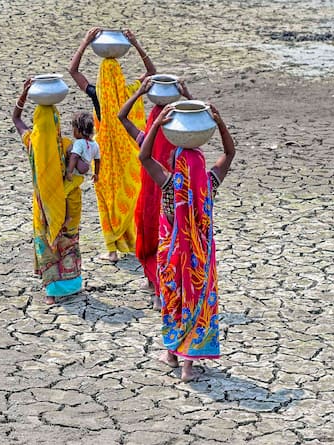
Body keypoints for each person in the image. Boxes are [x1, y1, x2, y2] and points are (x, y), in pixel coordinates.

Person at [138, 102, 235, 381]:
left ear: (178, 164)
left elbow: (144, 157)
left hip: (172, 257)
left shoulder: (169, 184)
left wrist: (156, 126)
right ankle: (187, 367)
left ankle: (170, 353)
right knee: (195, 302)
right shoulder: (209, 183)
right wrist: (218, 123)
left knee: (173, 301)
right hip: (199, 259)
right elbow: (230, 152)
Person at [68, 27, 156, 262]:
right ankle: (133, 240)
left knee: (106, 198)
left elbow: (73, 70)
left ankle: (112, 250)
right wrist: (136, 44)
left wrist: (85, 42)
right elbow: (151, 72)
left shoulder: (97, 93)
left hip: (103, 155)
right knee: (129, 193)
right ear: (119, 75)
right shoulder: (129, 92)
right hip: (127, 153)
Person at [118, 76, 193, 309]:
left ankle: (156, 290)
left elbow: (122, 117)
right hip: (173, 202)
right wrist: (188, 97)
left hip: (152, 202)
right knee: (171, 247)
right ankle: (162, 289)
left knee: (153, 244)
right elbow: (199, 126)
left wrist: (139, 92)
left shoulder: (145, 146)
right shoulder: (180, 148)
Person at [12, 79, 84, 305]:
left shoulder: (32, 142)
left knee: (47, 245)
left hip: (42, 205)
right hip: (66, 204)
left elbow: (16, 118)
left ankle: (52, 293)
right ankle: (72, 284)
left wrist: (24, 95)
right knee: (67, 242)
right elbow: (83, 170)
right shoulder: (65, 144)